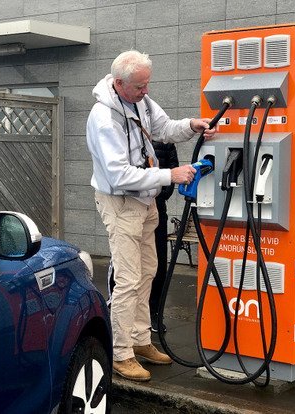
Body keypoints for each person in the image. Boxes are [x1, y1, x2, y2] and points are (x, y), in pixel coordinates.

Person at [86, 50, 216, 382]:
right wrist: (170, 175)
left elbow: (164, 128)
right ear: (119, 83)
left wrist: (191, 125)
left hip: (146, 202)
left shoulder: (139, 101)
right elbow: (119, 175)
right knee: (128, 279)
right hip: (121, 203)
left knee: (148, 272)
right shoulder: (104, 118)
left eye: (147, 84)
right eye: (140, 86)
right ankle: (120, 353)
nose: (146, 91)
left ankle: (140, 339)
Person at [106, 141, 178, 333]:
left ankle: (153, 312)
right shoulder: (127, 137)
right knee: (124, 262)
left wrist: (159, 193)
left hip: (156, 206)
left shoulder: (166, 142)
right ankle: (117, 310)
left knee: (156, 263)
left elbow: (173, 171)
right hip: (129, 205)